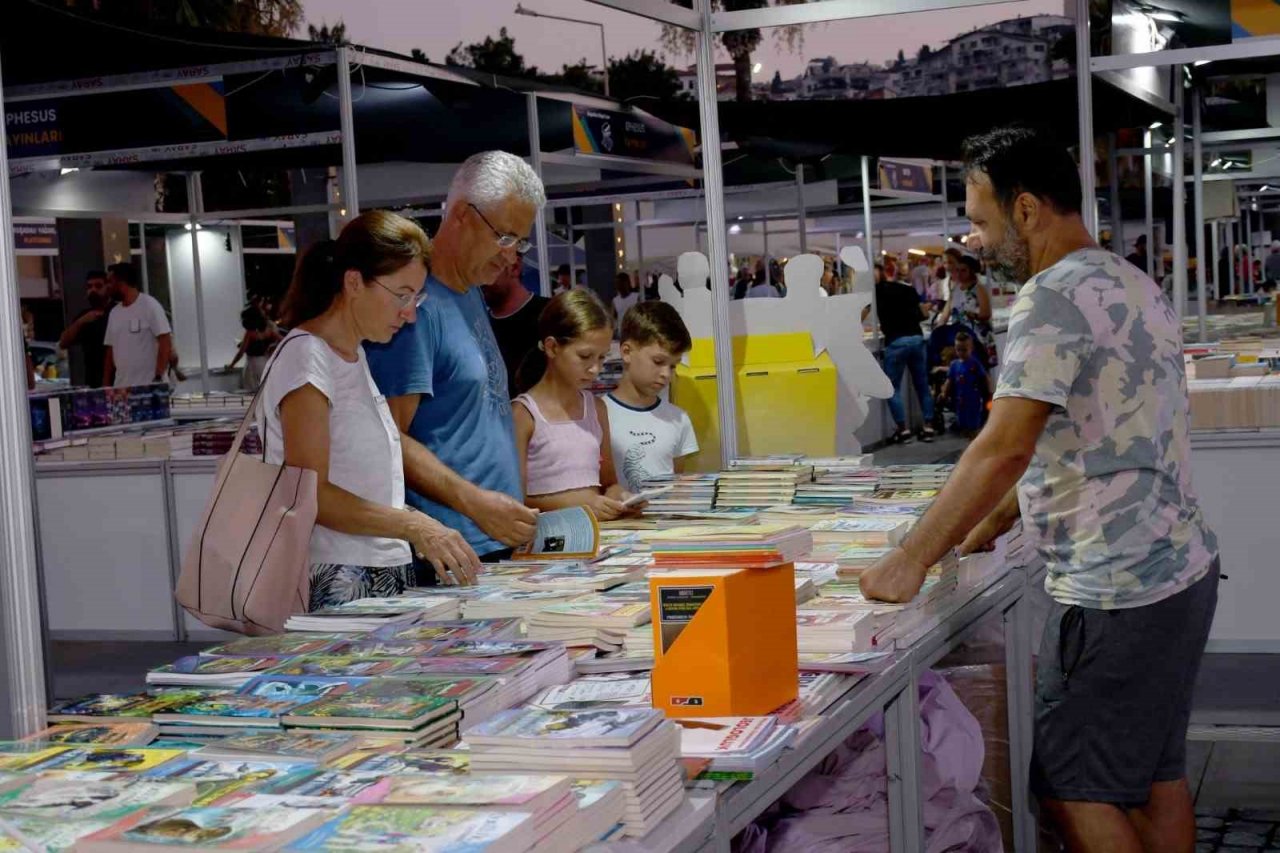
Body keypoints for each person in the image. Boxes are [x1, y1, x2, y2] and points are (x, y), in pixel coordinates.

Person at [859, 126, 1219, 853]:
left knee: (1071, 784)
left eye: (982, 219)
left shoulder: (1051, 296)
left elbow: (1004, 445)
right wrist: (993, 519)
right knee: (1154, 776)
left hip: (1115, 590)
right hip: (1177, 567)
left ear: (1026, 210)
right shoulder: (1128, 280)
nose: (977, 237)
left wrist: (911, 556)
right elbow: (1094, 435)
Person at [261, 211, 480, 609]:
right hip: (336, 575)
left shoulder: (351, 354)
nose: (410, 312)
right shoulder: (307, 357)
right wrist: (415, 525)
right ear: (353, 282)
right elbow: (311, 493)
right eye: (402, 295)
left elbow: (365, 480)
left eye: (417, 297)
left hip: (375, 570)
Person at [365, 151, 542, 569]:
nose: (512, 255)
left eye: (521, 241)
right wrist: (474, 502)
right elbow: (388, 437)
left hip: (490, 543)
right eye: (505, 237)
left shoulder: (468, 290)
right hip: (452, 552)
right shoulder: (415, 310)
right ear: (463, 215)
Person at [513, 290, 635, 520]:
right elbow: (514, 498)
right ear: (552, 347)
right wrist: (579, 503)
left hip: (595, 538)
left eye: (602, 358)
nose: (595, 369)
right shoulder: (523, 414)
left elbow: (609, 483)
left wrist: (620, 497)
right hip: (547, 542)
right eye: (585, 356)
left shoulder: (597, 409)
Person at [605, 301, 698, 492]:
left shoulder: (679, 419)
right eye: (658, 361)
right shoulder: (597, 415)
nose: (666, 373)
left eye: (673, 365)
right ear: (626, 352)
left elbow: (676, 483)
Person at [866, 262, 936, 444]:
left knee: (892, 388)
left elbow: (861, 314)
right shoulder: (908, 289)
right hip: (916, 338)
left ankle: (903, 430)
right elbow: (924, 315)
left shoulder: (875, 292)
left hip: (896, 342)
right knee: (922, 385)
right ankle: (928, 426)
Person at [482, 255, 549, 401]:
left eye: (489, 267)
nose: (482, 279)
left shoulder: (551, 314)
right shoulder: (479, 324)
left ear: (514, 267)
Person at [102, 263, 172, 388]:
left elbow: (165, 341)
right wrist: (106, 385)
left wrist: (158, 377)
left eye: (110, 282)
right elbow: (110, 350)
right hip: (122, 388)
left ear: (121, 282)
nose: (107, 287)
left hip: (149, 386)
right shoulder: (114, 313)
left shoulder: (150, 306)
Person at [940, 246, 997, 369]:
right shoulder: (955, 289)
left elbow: (986, 313)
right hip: (961, 338)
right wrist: (939, 329)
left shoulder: (978, 288)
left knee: (980, 372)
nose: (959, 274)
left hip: (978, 337)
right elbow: (946, 312)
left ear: (971, 271)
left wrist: (972, 315)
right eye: (958, 270)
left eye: (963, 270)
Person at [59, 270, 113, 388]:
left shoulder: (117, 312)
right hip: (93, 382)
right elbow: (63, 342)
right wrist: (81, 322)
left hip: (119, 381)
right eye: (89, 287)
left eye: (98, 286)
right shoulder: (85, 317)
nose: (93, 290)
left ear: (108, 288)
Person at [940, 331, 988, 436]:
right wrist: (944, 393)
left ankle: (974, 437)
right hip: (960, 399)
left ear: (971, 348)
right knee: (962, 422)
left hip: (974, 398)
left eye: (964, 350)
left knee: (974, 422)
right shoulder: (954, 365)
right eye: (958, 350)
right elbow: (949, 380)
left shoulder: (974, 363)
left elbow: (984, 377)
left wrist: (989, 392)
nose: (961, 353)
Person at [227, 304, 281, 391]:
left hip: (252, 364)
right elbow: (283, 340)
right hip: (265, 361)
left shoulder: (250, 333)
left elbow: (241, 352)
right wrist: (273, 347)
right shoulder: (269, 331)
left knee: (252, 389)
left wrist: (232, 365)